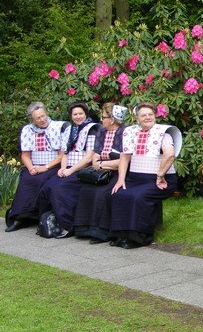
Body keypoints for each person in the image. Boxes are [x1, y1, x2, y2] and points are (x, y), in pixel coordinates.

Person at [109, 102, 181, 249]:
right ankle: (121, 235)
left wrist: (160, 175)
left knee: (138, 197)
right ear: (137, 118)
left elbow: (170, 154)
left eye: (150, 114)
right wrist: (121, 179)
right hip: (135, 178)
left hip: (160, 180)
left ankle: (140, 237)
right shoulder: (130, 132)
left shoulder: (164, 133)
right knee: (119, 193)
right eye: (143, 115)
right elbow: (125, 156)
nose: (148, 117)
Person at [37, 102, 99, 238]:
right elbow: (64, 153)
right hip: (68, 168)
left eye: (80, 114)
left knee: (60, 189)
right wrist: (63, 168)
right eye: (75, 114)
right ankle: (46, 222)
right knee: (46, 187)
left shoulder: (92, 129)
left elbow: (89, 157)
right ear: (71, 116)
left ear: (85, 114)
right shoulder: (68, 130)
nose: (78, 117)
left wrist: (70, 171)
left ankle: (67, 225)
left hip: (82, 169)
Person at [5, 102, 64, 232]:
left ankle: (38, 216)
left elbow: (62, 155)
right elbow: (25, 155)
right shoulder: (27, 130)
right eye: (38, 118)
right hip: (34, 165)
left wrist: (46, 167)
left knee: (41, 180)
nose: (42, 120)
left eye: (43, 116)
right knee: (26, 179)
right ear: (32, 119)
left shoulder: (57, 127)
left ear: (46, 113)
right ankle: (20, 217)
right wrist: (31, 167)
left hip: (52, 165)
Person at [73, 103, 128, 244]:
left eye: (103, 117)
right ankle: (84, 229)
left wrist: (102, 164)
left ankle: (100, 232)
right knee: (86, 190)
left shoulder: (124, 133)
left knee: (102, 193)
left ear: (112, 119)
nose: (101, 120)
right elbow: (96, 152)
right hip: (100, 171)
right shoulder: (102, 131)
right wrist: (97, 161)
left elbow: (123, 160)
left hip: (116, 172)